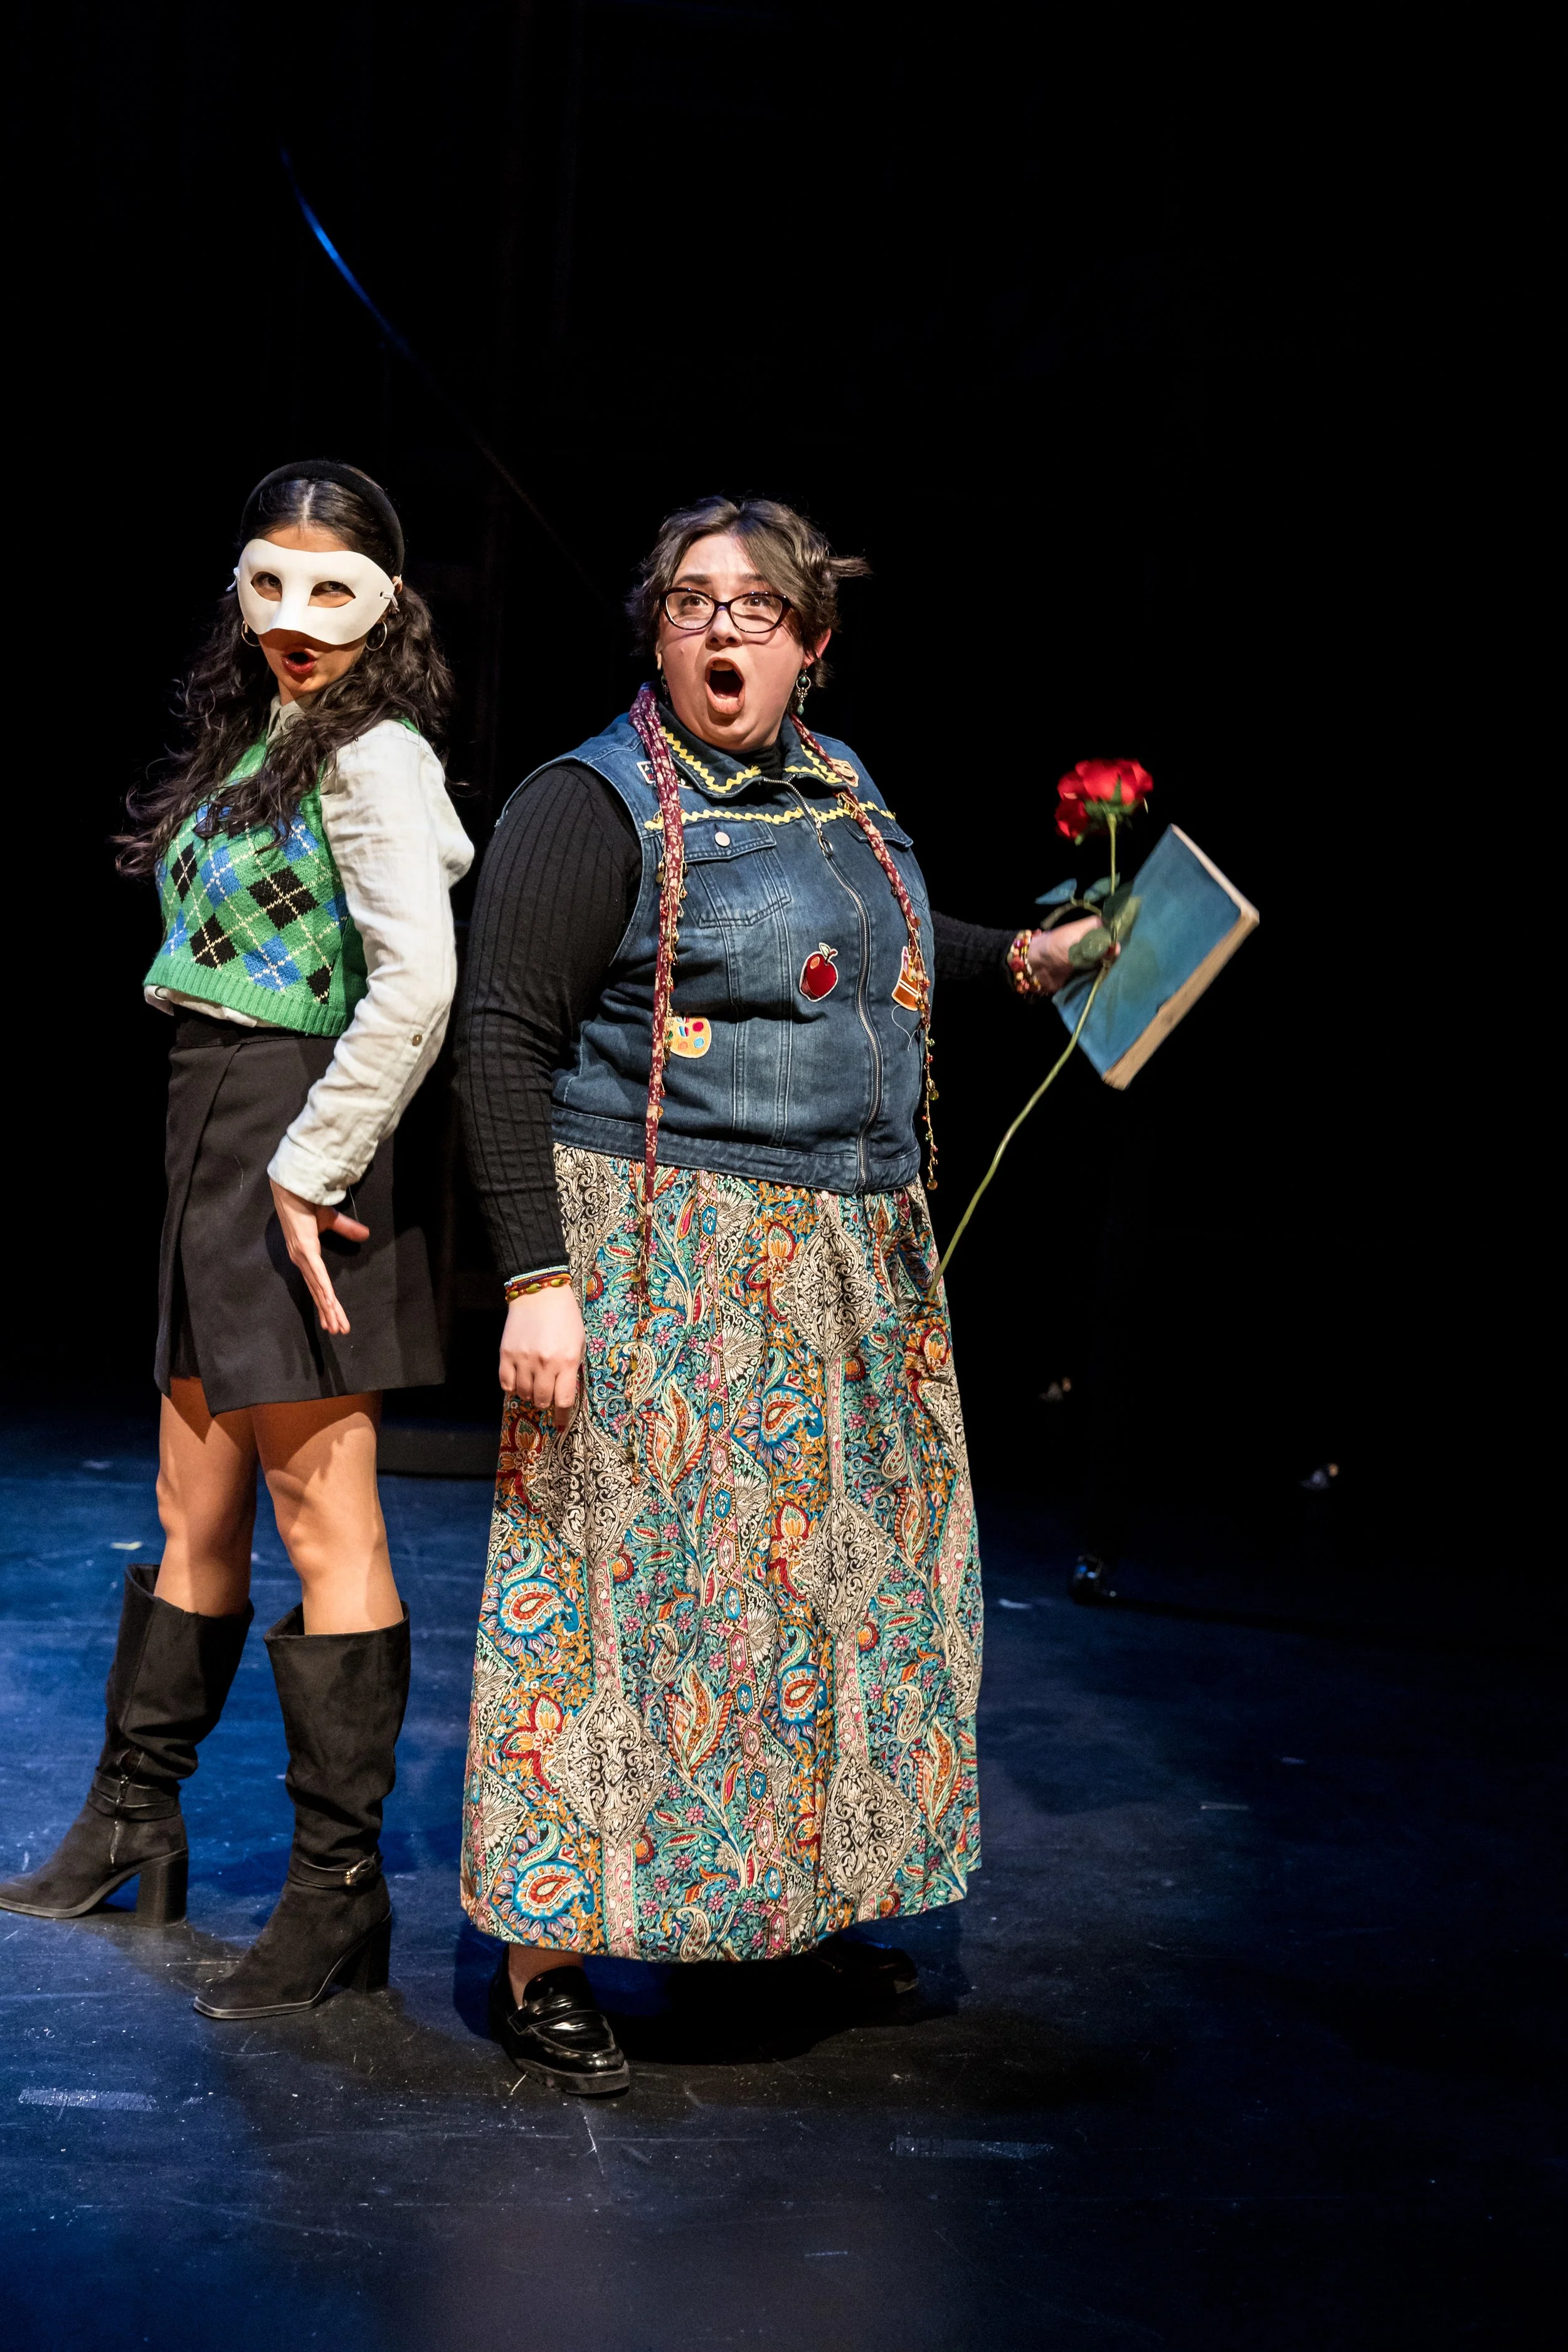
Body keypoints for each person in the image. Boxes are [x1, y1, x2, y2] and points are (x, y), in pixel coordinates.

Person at [455, 495, 1106, 2095]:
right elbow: (496, 1048)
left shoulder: (841, 791)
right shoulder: (586, 805)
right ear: (654, 636)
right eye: (689, 604)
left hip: (845, 1267)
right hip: (669, 1263)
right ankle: (548, 1951)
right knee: (624, 1609)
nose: (721, 629)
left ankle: (778, 1914)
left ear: (811, 645)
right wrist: (539, 1278)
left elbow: (876, 953)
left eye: (756, 608)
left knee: (822, 1611)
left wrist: (1021, 961)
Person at [0, 460, 473, 2021]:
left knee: (318, 1509)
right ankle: (136, 1818)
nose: (290, 619)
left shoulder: (380, 757)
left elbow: (415, 982)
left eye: (329, 591)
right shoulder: (270, 736)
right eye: (265, 583)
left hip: (299, 1127)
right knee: (187, 1484)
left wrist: (309, 1159)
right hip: (212, 1115)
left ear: (387, 607)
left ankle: (338, 1895)